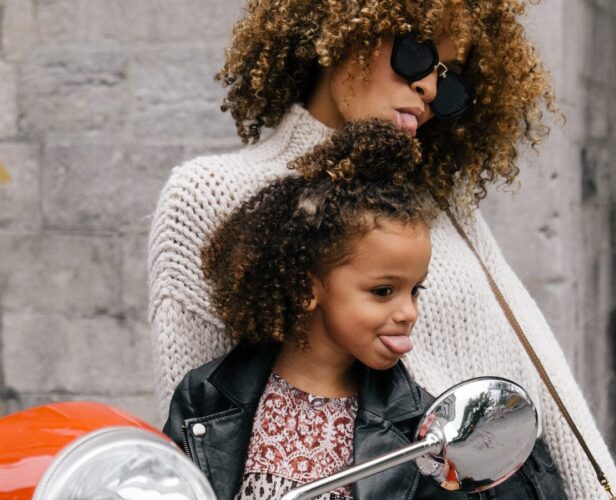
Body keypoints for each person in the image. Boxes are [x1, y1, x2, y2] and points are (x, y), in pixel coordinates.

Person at [148, 1, 616, 498]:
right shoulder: (210, 195)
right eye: (416, 52)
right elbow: (202, 442)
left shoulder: (441, 202)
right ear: (344, 24)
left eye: (451, 77)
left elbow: (541, 376)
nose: (431, 88)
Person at [163, 121, 567, 500]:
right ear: (306, 287)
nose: (408, 311)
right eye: (383, 290)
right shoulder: (207, 397)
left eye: (415, 291)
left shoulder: (421, 435)